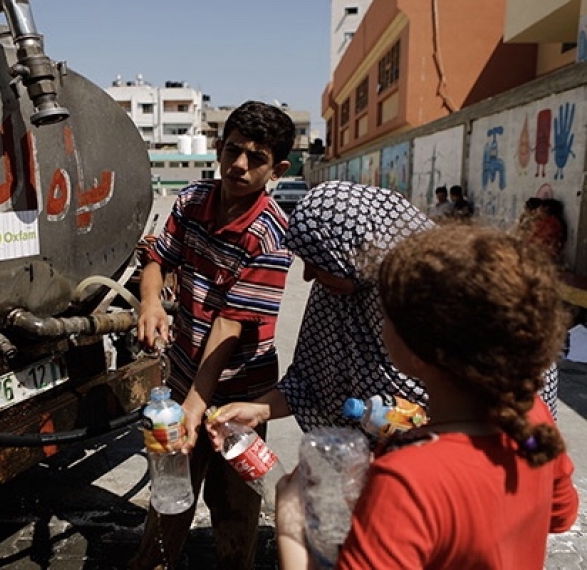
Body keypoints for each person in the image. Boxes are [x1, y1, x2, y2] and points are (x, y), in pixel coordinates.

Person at [275, 224, 579, 569]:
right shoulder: (533, 423)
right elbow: (559, 515)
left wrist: (291, 525)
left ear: (418, 350)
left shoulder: (405, 480)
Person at [128, 100, 296, 569]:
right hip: (184, 381)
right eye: (234, 150)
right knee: (168, 501)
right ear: (220, 148)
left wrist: (196, 409)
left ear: (277, 168)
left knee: (235, 517)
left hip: (239, 402)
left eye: (256, 158)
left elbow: (230, 324)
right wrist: (150, 302)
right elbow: (157, 258)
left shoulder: (270, 233)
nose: (239, 165)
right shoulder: (192, 200)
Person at [205, 181, 432, 449]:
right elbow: (309, 382)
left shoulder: (427, 300)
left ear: (355, 253)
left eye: (319, 263)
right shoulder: (334, 292)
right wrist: (259, 410)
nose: (307, 276)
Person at [527, 198, 566, 263]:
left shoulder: (552, 223)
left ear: (546, 208)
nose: (537, 211)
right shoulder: (546, 222)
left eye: (539, 208)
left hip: (543, 259)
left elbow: (538, 242)